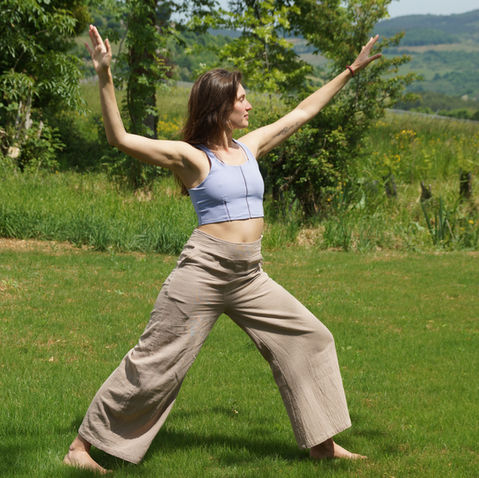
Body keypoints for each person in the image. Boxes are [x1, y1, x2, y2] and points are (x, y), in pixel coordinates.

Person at [64, 24, 381, 474]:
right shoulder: (193, 157)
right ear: (220, 108)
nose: (249, 105)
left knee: (310, 338)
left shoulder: (250, 148)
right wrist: (104, 73)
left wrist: (350, 70)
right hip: (203, 275)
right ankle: (81, 447)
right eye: (242, 99)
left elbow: (303, 112)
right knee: (157, 360)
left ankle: (322, 444)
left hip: (250, 276)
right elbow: (121, 139)